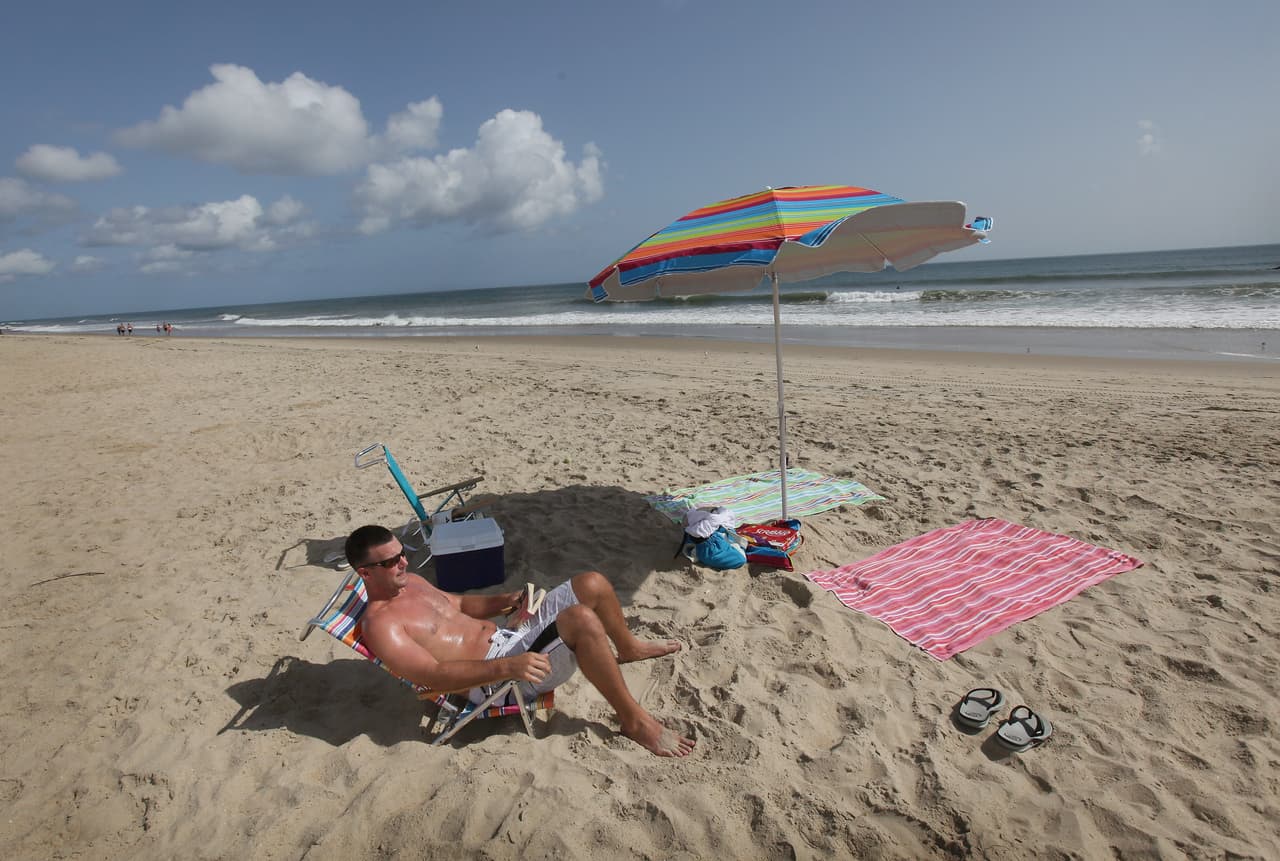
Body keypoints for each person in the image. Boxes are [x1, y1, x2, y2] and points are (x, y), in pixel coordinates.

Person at [344, 524, 695, 757]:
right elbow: (432, 676)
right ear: (365, 573)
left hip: (510, 640)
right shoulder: (382, 625)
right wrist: (508, 665)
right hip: (498, 678)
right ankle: (635, 721)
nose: (404, 561)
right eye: (392, 561)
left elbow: (463, 604)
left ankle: (629, 648)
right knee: (581, 620)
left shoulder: (412, 582)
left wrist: (508, 600)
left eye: (402, 552)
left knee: (592, 583)